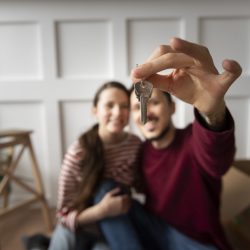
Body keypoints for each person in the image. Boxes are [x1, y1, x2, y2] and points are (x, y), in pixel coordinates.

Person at [127, 37, 242, 250]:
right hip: (156, 233)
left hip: (195, 242)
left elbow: (217, 160)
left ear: (172, 108)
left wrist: (212, 113)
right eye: (139, 107)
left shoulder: (193, 139)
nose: (147, 113)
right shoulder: (139, 151)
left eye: (154, 103)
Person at [48, 81, 145, 250]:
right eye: (109, 105)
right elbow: (63, 216)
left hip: (114, 227)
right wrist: (102, 210)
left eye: (124, 106)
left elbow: (141, 185)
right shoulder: (78, 152)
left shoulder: (135, 145)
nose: (117, 113)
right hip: (80, 225)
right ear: (95, 111)